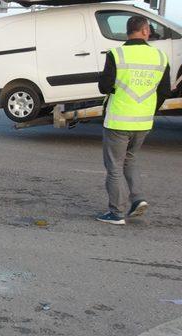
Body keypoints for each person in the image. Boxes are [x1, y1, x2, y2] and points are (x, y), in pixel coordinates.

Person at [96, 16, 170, 225]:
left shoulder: (117, 54)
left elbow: (104, 87)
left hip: (118, 121)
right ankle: (137, 198)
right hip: (143, 123)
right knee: (130, 160)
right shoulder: (160, 57)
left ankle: (116, 213)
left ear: (127, 31)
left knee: (114, 167)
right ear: (145, 31)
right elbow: (164, 91)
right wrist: (148, 109)